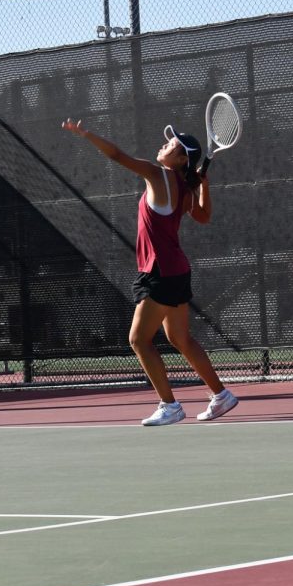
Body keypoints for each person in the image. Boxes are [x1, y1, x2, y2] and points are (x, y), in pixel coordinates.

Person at [62, 117, 239, 426]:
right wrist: (203, 188)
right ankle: (221, 395)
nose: (164, 145)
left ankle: (169, 405)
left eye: (170, 145)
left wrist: (87, 134)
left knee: (139, 340)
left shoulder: (160, 176)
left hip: (160, 272)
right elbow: (203, 215)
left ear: (182, 158)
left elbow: (118, 156)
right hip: (176, 270)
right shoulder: (184, 190)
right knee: (180, 338)